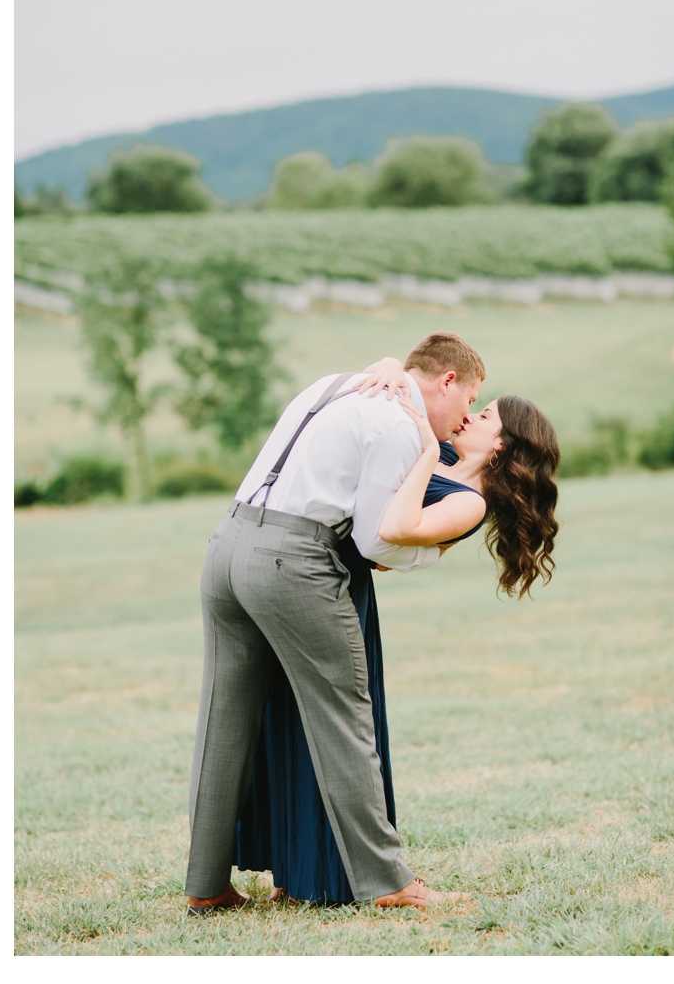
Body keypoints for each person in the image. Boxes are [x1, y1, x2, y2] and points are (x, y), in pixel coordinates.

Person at [232, 356, 560, 906]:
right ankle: (293, 870)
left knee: (341, 733)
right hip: (304, 571)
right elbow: (407, 406)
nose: (470, 416)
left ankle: (339, 876)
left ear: (501, 447)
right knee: (290, 722)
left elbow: (393, 530)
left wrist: (428, 451)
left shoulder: (466, 501)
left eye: (486, 417)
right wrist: (389, 363)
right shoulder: (450, 451)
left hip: (336, 587)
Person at [186, 332, 495, 916]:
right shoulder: (403, 426)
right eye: (470, 398)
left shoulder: (332, 385)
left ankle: (205, 886)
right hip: (292, 562)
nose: (465, 417)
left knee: (222, 720)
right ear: (448, 380)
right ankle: (389, 882)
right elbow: (375, 537)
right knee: (345, 717)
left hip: (226, 545)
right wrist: (426, 551)